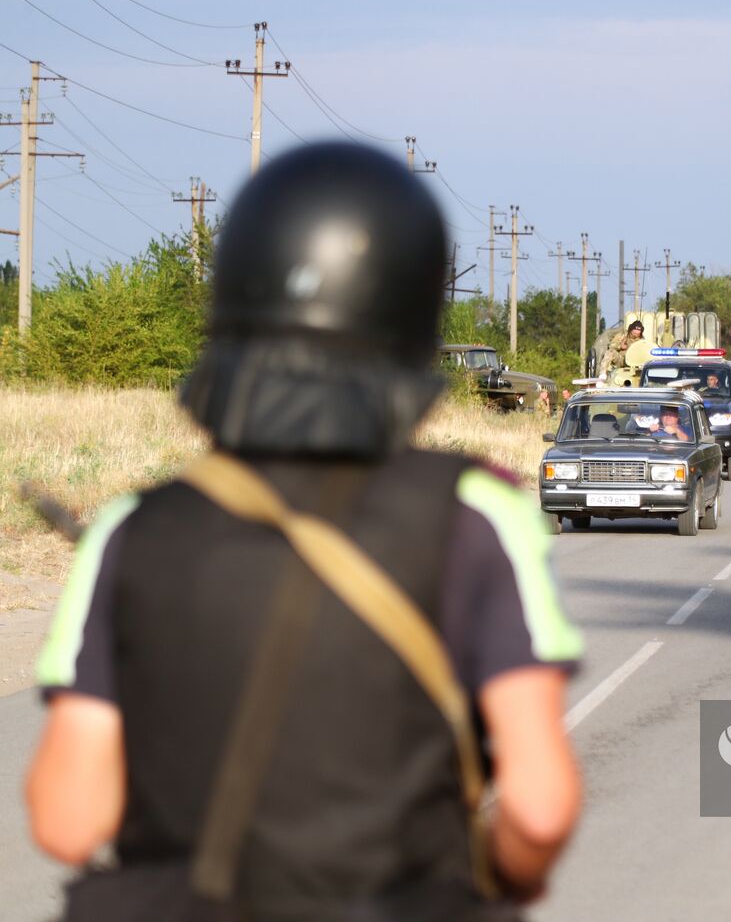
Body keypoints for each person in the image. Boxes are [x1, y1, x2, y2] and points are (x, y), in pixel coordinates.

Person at [26, 143, 585, 920]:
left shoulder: (130, 529)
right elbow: (540, 809)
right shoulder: (477, 516)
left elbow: (67, 820)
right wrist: (502, 874)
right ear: (414, 313)